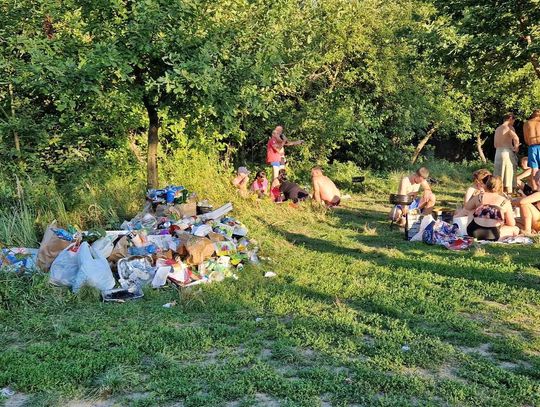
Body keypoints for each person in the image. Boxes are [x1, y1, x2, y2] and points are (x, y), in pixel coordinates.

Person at [463, 175, 519, 241]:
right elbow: (511, 223)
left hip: (473, 231)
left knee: (472, 210)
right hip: (492, 234)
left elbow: (467, 207)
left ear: (486, 185)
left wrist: (479, 206)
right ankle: (499, 237)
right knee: (515, 229)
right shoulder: (505, 201)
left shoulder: (479, 197)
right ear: (501, 187)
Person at [493, 113, 520, 194]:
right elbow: (516, 138)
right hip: (506, 152)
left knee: (499, 175)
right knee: (509, 176)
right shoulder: (509, 127)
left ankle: (498, 194)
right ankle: (510, 195)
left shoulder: (498, 129)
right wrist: (516, 147)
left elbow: (495, 144)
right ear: (510, 118)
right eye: (514, 120)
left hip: (498, 153)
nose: (514, 122)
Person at [524, 110, 540, 191]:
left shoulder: (527, 123)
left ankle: (535, 189)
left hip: (532, 147)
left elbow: (526, 139)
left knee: (534, 168)